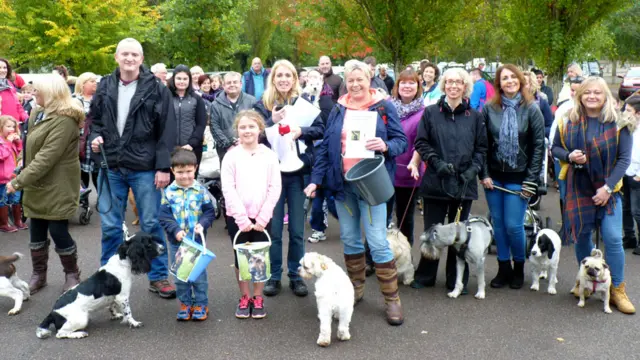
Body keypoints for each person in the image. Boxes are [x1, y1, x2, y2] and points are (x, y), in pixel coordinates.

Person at [304, 59, 408, 325]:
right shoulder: (339, 108)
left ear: (369, 78)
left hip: (371, 184)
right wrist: (316, 181)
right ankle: (355, 290)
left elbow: (401, 141)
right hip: (343, 186)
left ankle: (392, 300)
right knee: (350, 240)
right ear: (345, 82)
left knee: (377, 242)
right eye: (351, 80)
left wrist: (385, 145)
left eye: (360, 79)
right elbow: (327, 147)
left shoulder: (383, 106)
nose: (355, 84)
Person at [89, 38, 177, 299]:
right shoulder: (104, 85)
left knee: (150, 223)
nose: (129, 59)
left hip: (145, 167)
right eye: (125, 54)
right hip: (111, 165)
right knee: (111, 226)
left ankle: (158, 276)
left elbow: (167, 129)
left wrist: (163, 167)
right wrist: (95, 136)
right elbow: (94, 120)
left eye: (134, 54)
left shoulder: (156, 88)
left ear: (141, 58)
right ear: (116, 57)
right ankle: (108, 275)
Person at [552, 76, 635, 314]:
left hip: (609, 189)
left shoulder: (620, 122)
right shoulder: (568, 118)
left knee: (613, 238)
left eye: (597, 93)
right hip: (578, 188)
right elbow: (556, 148)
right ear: (580, 95)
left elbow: (624, 159)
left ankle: (617, 289)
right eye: (587, 92)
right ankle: (584, 282)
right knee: (582, 237)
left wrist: (608, 187)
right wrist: (569, 156)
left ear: (606, 96)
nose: (592, 97)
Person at [411, 68, 488, 291]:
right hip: (437, 179)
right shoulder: (431, 113)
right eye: (450, 82)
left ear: (465, 86)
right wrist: (436, 163)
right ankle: (426, 275)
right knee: (433, 230)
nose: (454, 86)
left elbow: (482, 148)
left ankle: (457, 279)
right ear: (444, 85)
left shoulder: (475, 116)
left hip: (464, 182)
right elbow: (421, 142)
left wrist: (473, 169)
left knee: (459, 233)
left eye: (459, 82)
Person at [7, 74, 84, 294]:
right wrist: (22, 159)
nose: (33, 93)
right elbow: (31, 143)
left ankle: (72, 274)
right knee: (36, 228)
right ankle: (38, 275)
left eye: (37, 90)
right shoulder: (38, 112)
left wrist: (18, 182)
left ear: (51, 93)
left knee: (58, 231)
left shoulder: (65, 120)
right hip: (36, 181)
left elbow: (47, 157)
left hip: (57, 184)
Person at [254, 59, 325, 298]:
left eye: (288, 75)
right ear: (273, 78)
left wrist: (301, 131)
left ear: (295, 79)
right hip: (271, 175)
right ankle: (274, 276)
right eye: (279, 75)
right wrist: (270, 123)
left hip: (298, 175)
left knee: (296, 230)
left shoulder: (304, 104)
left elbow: (321, 130)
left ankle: (295, 275)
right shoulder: (262, 105)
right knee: (273, 231)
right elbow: (252, 135)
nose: (284, 79)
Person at [480, 64, 545, 290]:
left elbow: (538, 147)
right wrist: (484, 173)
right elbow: (483, 145)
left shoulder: (532, 109)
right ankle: (503, 268)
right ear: (499, 83)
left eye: (512, 77)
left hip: (520, 177)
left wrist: (531, 180)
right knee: (498, 224)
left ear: (520, 80)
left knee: (513, 226)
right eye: (504, 78)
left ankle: (519, 267)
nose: (509, 81)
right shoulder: (489, 109)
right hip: (494, 177)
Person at [221, 110, 281, 319]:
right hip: (237, 217)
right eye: (243, 127)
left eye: (251, 126)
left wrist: (263, 217)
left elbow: (275, 187)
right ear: (237, 130)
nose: (247, 131)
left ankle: (258, 297)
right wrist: (241, 218)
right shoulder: (231, 155)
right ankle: (244, 296)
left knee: (259, 258)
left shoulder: (269, 155)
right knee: (241, 259)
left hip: (262, 217)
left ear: (260, 129)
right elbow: (228, 188)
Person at [159, 148, 216, 321]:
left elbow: (209, 212)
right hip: (178, 243)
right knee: (181, 277)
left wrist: (202, 224)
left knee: (198, 277)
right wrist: (175, 230)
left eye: (189, 171)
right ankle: (185, 304)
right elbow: (164, 216)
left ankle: (201, 304)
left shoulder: (200, 191)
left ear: (195, 168)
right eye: (180, 172)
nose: (185, 176)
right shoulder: (168, 192)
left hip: (197, 242)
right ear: (172, 171)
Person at [389, 70, 425, 247]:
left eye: (412, 83)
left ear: (418, 87)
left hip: (409, 172)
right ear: (397, 85)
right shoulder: (387, 107)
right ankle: (374, 258)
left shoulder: (424, 113)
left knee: (405, 219)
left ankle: (405, 257)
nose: (407, 86)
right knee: (380, 220)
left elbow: (423, 143)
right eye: (403, 82)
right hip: (386, 171)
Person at [305, 69, 338, 243]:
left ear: (322, 80)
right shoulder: (302, 99)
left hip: (324, 151)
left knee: (327, 192)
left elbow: (328, 127)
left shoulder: (327, 101)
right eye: (310, 78)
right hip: (309, 151)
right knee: (316, 193)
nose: (313, 81)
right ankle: (318, 228)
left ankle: (345, 218)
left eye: (316, 78)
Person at [549, 76, 584, 220]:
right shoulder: (563, 109)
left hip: (585, 163)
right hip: (563, 161)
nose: (573, 94)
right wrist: (559, 155)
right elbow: (553, 136)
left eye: (577, 90)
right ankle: (566, 226)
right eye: (572, 90)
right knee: (564, 194)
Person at [210, 72, 257, 163]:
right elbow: (214, 127)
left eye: (235, 82)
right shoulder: (215, 105)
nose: (232, 85)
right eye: (229, 83)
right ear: (223, 85)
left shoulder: (252, 101)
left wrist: (245, 142)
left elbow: (258, 124)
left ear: (241, 84)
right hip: (226, 152)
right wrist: (228, 146)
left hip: (250, 149)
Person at [168, 65, 207, 168]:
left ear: (189, 80)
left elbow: (201, 123)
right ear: (173, 79)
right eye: (179, 78)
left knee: (190, 179)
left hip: (192, 148)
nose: (182, 81)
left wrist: (192, 143)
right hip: (170, 148)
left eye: (185, 79)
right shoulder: (166, 97)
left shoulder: (196, 99)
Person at [73, 72, 99, 191]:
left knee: (97, 174)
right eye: (92, 81)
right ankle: (84, 202)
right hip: (80, 141)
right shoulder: (74, 100)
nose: (95, 83)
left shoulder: (100, 98)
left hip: (96, 141)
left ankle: (102, 201)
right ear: (83, 84)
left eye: (95, 81)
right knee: (81, 174)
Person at [0, 115, 26, 232]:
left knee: (16, 198)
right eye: (8, 126)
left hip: (14, 175)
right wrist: (9, 143)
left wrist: (18, 142)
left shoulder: (13, 141)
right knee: (3, 200)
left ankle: (18, 221)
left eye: (13, 126)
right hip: (3, 177)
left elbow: (20, 153)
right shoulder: (2, 142)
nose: (11, 129)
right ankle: (4, 224)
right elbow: (2, 156)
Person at [523, 71, 554, 138]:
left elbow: (550, 127)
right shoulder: (513, 102)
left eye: (525, 83)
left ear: (532, 84)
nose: (521, 86)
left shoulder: (542, 102)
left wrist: (536, 132)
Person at [0, 58, 28, 125]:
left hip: (14, 125)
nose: (2, 70)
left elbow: (17, 105)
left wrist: (26, 118)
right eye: (0, 68)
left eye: (5, 67)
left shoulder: (9, 84)